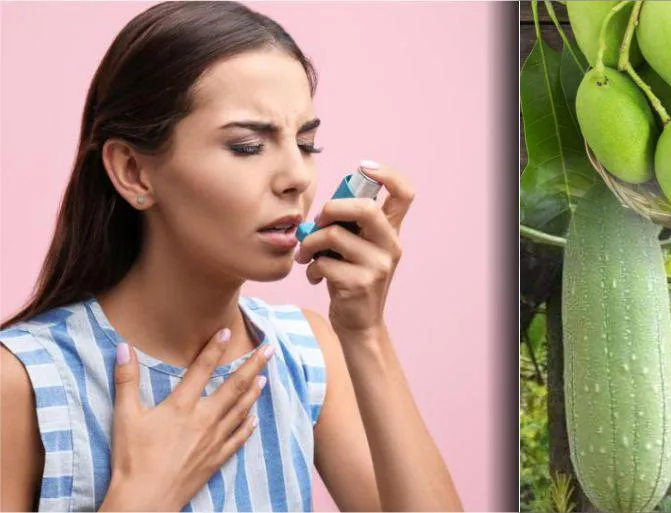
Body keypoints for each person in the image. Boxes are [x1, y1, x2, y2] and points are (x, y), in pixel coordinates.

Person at [0, 2, 461, 511]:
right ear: (133, 172)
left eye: (306, 143)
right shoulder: (24, 381)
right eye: (246, 146)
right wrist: (139, 499)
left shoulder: (305, 355)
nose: (297, 177)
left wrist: (365, 332)